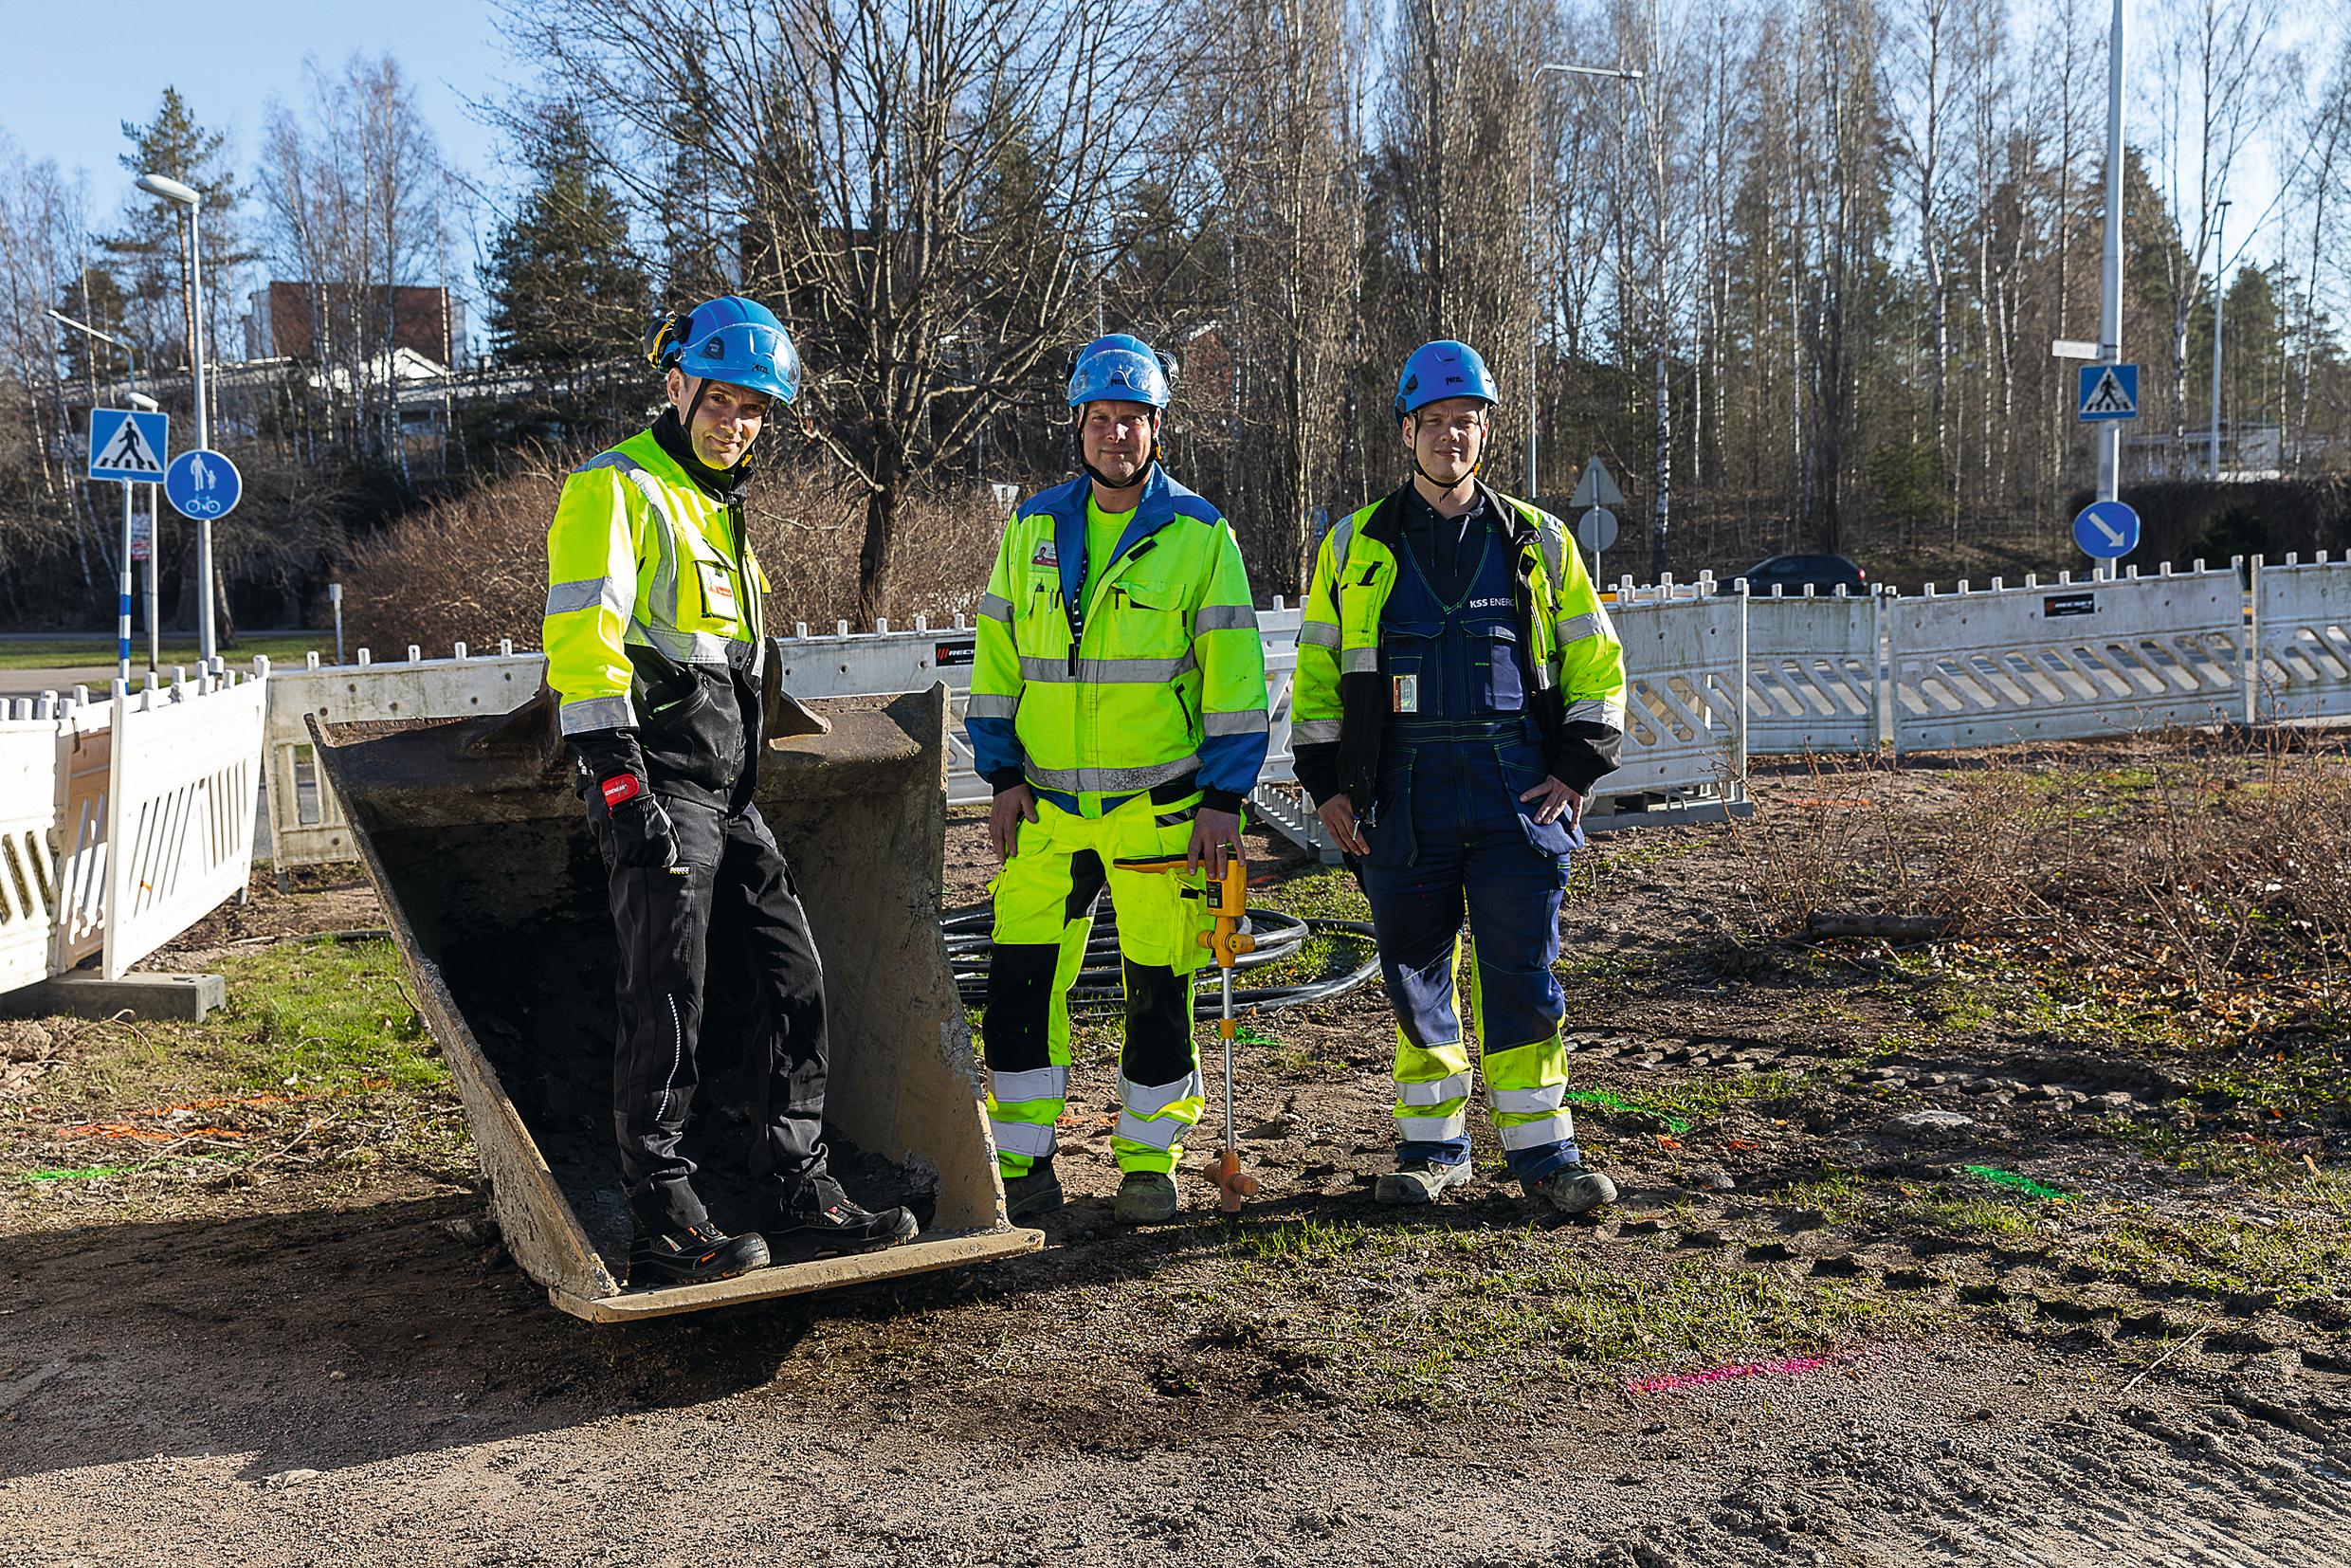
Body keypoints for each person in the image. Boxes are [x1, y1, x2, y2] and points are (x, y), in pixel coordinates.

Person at [541, 296, 918, 1287]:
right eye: (721, 400)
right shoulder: (617, 489)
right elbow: (585, 648)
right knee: (668, 994)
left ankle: (798, 1183)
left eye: (754, 408)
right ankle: (662, 1215)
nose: (736, 421)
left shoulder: (719, 507)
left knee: (792, 973)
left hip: (726, 791)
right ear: (677, 387)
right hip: (656, 783)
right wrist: (620, 792)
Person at [1290, 339, 1629, 1215]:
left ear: (1486, 432)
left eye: (1466, 421)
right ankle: (1433, 1149)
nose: (1451, 437)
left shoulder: (1538, 541)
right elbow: (1320, 676)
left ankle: (1545, 1153)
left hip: (1515, 791)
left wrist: (1576, 768)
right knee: (1414, 971)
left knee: (1523, 972)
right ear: (1408, 432)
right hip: (1402, 796)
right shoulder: (1355, 546)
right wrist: (1327, 784)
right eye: (1435, 422)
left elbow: (1597, 664)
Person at [966, 333, 1270, 1225]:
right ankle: (1022, 1164)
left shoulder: (1199, 534)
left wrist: (1223, 800)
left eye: (1132, 420)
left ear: (1157, 429)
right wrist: (1001, 776)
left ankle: (1150, 1161)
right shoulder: (1032, 528)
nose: (1115, 436)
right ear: (1078, 426)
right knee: (1020, 980)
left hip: (1157, 808)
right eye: (1100, 419)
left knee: (1157, 983)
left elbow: (1235, 677)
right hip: (1050, 809)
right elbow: (998, 658)